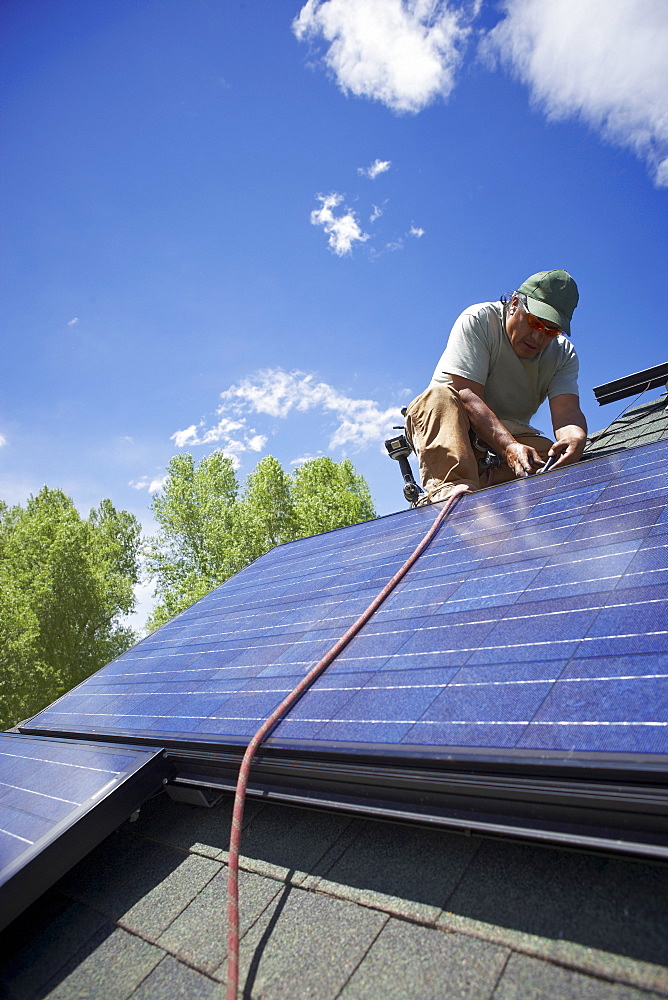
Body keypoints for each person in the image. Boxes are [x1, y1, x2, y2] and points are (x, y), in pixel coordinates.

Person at [405, 270, 588, 504]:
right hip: (455, 432)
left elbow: (567, 412)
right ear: (514, 304)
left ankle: (482, 484)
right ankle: (452, 494)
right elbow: (467, 395)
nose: (538, 337)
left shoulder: (564, 354)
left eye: (551, 331)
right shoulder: (479, 319)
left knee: (551, 456)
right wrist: (509, 447)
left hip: (505, 445)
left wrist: (575, 438)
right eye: (534, 322)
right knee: (439, 396)